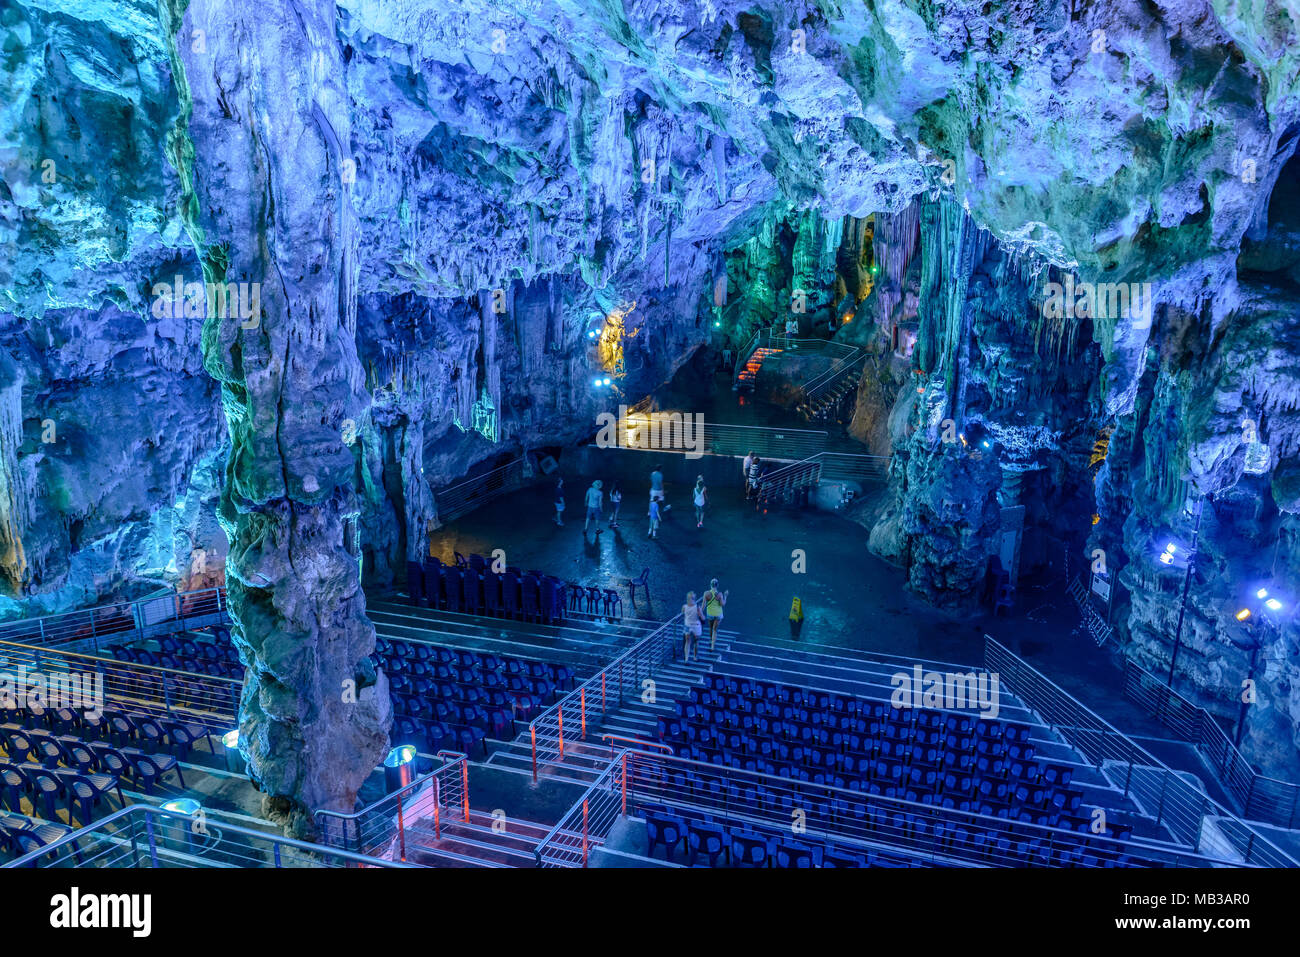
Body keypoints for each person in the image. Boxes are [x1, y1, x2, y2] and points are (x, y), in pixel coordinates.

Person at [702, 579, 728, 650]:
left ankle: (710, 640)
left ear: (710, 585)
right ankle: (712, 646)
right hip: (718, 614)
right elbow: (722, 604)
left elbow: (703, 606)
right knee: (715, 629)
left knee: (710, 628)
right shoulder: (720, 594)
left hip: (710, 614)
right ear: (717, 585)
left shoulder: (706, 593)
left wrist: (700, 613)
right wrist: (725, 596)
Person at [682, 591, 703, 662]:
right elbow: (702, 617)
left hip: (687, 625)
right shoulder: (697, 607)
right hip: (696, 626)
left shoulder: (684, 606)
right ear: (694, 598)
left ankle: (686, 659)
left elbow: (683, 614)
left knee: (687, 642)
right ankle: (695, 657)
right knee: (696, 642)